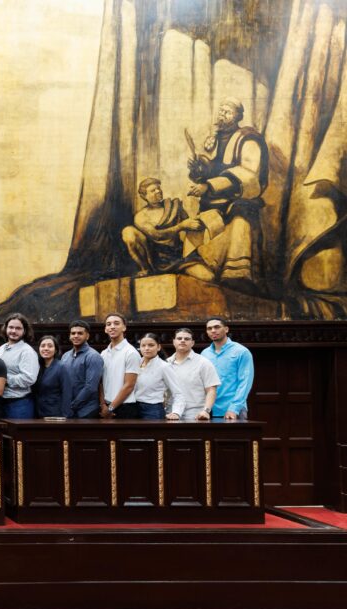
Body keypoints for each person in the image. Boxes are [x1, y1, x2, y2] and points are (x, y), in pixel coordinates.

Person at [181, 98, 268, 290]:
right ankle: (203, 265)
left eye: (228, 112)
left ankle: (235, 271)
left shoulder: (248, 138)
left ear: (238, 116)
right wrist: (199, 168)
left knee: (239, 220)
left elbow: (248, 174)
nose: (222, 115)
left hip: (238, 199)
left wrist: (209, 186)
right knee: (198, 228)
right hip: (214, 201)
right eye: (221, 110)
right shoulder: (216, 139)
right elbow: (214, 168)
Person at [122, 177, 197, 275]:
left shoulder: (173, 206)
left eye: (158, 188)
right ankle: (145, 269)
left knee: (208, 276)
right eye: (153, 190)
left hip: (178, 254)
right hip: (157, 259)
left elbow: (190, 225)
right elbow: (157, 235)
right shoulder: (141, 216)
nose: (158, 191)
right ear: (144, 196)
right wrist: (181, 226)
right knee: (128, 231)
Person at [202, 316, 254, 419]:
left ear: (226, 329)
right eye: (209, 328)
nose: (213, 330)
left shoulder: (241, 351)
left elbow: (245, 382)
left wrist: (234, 408)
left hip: (232, 410)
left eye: (217, 327)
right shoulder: (205, 354)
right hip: (208, 409)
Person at [166, 328, 220, 421]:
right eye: (179, 338)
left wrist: (206, 411)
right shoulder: (166, 364)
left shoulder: (203, 363)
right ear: (174, 342)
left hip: (196, 416)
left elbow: (211, 390)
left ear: (192, 343)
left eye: (187, 339)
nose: (183, 341)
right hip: (170, 415)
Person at [0, 313, 39, 419]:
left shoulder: (27, 351)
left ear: (24, 331)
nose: (14, 331)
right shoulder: (2, 348)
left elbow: (29, 378)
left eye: (18, 328)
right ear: (6, 328)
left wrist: (3, 380)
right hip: (1, 402)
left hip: (19, 404)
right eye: (11, 327)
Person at [134, 333, 186, 420]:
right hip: (133, 408)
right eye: (143, 345)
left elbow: (178, 393)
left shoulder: (164, 366)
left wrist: (176, 412)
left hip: (153, 410)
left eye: (151, 345)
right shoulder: (135, 363)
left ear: (158, 347)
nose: (146, 348)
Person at [60, 320, 104, 419]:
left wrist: (72, 405)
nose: (76, 336)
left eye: (80, 333)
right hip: (68, 410)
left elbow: (91, 387)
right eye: (73, 333)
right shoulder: (65, 356)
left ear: (87, 336)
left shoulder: (93, 356)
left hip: (87, 411)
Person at [100, 313, 140, 419]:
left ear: (124, 327)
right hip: (106, 406)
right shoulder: (104, 353)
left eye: (116, 323)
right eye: (108, 324)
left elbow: (129, 385)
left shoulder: (131, 352)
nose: (112, 326)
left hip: (125, 407)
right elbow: (101, 382)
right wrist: (103, 405)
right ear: (105, 329)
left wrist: (111, 408)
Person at [34, 335, 73, 418]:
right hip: (37, 412)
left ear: (55, 350)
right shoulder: (36, 366)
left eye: (50, 346)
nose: (46, 348)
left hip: (55, 413)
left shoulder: (61, 367)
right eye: (43, 346)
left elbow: (67, 393)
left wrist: (65, 416)